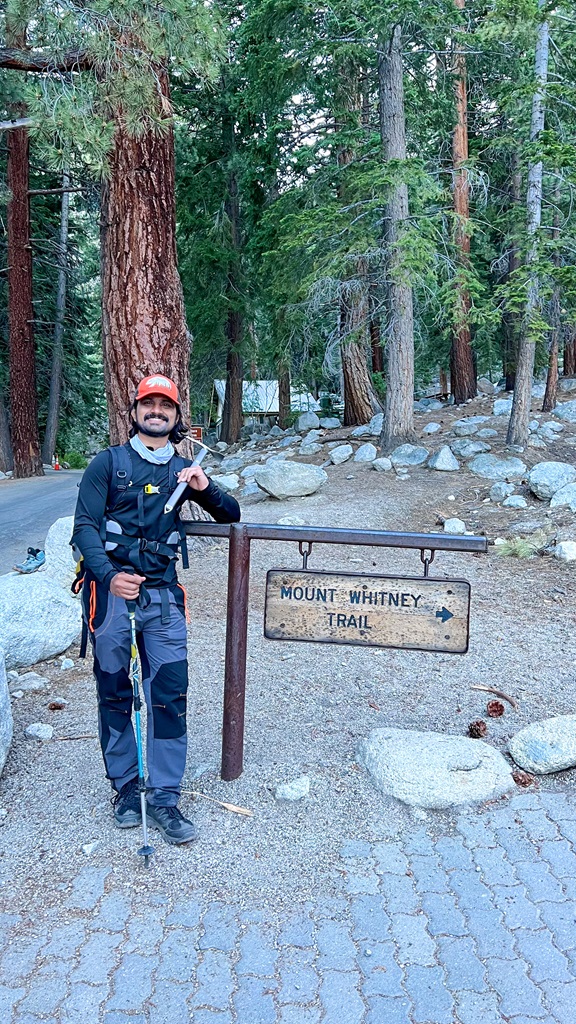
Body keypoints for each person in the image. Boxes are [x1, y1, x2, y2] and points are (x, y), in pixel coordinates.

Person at [72, 374, 240, 844]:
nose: (157, 411)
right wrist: (109, 576)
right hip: (111, 600)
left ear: (175, 415)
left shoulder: (183, 471)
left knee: (169, 693)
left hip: (164, 599)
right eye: (149, 403)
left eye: (165, 405)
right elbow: (84, 527)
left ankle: (164, 797)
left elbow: (231, 513)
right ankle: (126, 787)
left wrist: (204, 487)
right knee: (113, 691)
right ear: (134, 410)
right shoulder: (106, 464)